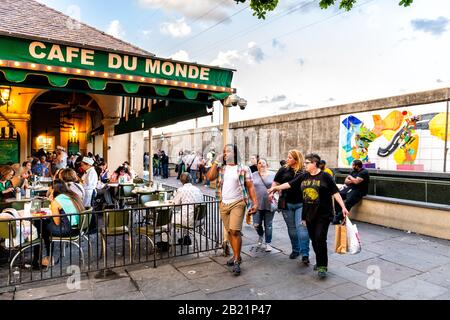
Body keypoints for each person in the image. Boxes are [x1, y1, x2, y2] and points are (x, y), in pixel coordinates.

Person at [268, 154, 349, 279]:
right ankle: (319, 259)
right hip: (308, 213)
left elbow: (335, 192)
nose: (304, 165)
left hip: (323, 213)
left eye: (307, 163)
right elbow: (289, 184)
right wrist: (275, 188)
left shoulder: (325, 176)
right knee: (314, 239)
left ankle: (322, 266)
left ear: (314, 163)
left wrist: (343, 207)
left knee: (320, 238)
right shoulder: (304, 176)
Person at [207, 144, 258, 276]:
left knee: (235, 230)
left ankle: (236, 260)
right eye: (224, 152)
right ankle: (237, 255)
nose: (226, 154)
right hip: (223, 203)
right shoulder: (221, 168)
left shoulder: (243, 168)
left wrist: (255, 203)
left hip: (238, 202)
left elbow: (250, 187)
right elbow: (210, 177)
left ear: (235, 153)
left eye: (228, 151)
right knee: (230, 231)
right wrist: (216, 161)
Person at [32, 179, 85, 267]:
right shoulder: (73, 195)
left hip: (67, 230)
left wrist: (52, 202)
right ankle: (46, 257)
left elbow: (57, 222)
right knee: (44, 226)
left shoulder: (56, 201)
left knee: (39, 224)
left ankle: (42, 259)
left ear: (53, 189)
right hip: (78, 228)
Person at [271, 150, 310, 263]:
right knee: (292, 229)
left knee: (302, 229)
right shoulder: (283, 169)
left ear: (296, 159)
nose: (287, 159)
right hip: (286, 203)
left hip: (301, 203)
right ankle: (295, 250)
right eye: (287, 157)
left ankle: (305, 254)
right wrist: (271, 192)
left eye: (290, 157)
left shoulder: (304, 171)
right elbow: (275, 182)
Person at [333, 159, 370, 224]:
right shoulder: (353, 172)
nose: (352, 166)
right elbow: (346, 181)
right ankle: (337, 214)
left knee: (348, 201)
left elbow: (356, 182)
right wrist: (353, 180)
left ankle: (338, 218)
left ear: (357, 166)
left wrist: (351, 178)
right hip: (350, 188)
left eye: (353, 165)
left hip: (359, 190)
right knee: (338, 196)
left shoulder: (364, 172)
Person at [252, 158, 276, 252]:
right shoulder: (253, 175)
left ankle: (268, 243)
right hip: (256, 204)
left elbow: (278, 187)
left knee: (268, 225)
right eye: (259, 163)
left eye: (263, 163)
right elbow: (249, 188)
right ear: (257, 165)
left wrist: (275, 193)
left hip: (269, 203)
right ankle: (261, 235)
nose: (261, 164)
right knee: (256, 224)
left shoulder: (273, 174)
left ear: (267, 164)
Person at [172, 172, 204, 242]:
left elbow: (175, 203)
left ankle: (165, 242)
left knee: (167, 219)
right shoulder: (197, 189)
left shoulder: (181, 190)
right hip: (199, 220)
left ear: (181, 180)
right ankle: (186, 237)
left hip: (188, 220)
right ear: (191, 179)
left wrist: (175, 196)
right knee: (185, 212)